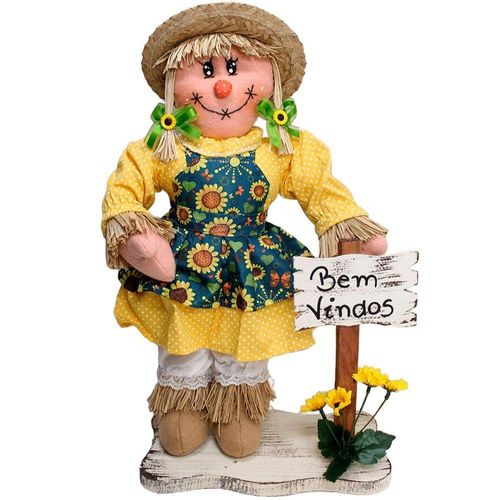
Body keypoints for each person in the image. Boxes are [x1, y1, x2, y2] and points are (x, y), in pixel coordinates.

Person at [102, 2, 387, 459]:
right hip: (182, 267)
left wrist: (348, 226)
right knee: (184, 344)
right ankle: (182, 404)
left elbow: (319, 189)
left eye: (235, 69)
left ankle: (238, 405)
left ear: (270, 83)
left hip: (252, 266)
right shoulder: (162, 147)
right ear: (175, 85)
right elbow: (125, 187)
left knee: (245, 344)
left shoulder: (282, 147)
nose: (221, 85)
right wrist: (137, 234)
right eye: (207, 70)